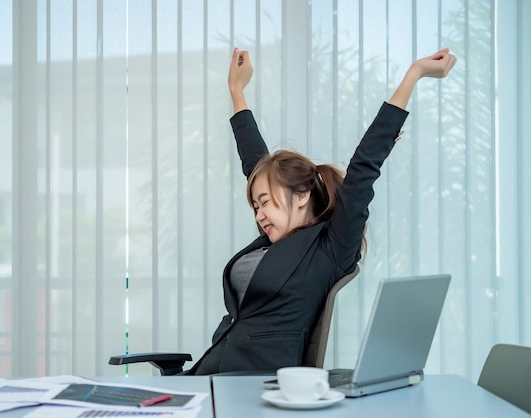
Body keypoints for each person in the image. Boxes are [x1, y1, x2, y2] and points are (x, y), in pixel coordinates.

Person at [186, 47, 457, 375]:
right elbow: (256, 165)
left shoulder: (330, 248)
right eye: (255, 206)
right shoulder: (271, 242)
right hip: (211, 375)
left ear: (301, 195)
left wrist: (413, 74)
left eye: (265, 203)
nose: (258, 215)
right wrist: (237, 92)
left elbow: (363, 168)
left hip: (252, 386)